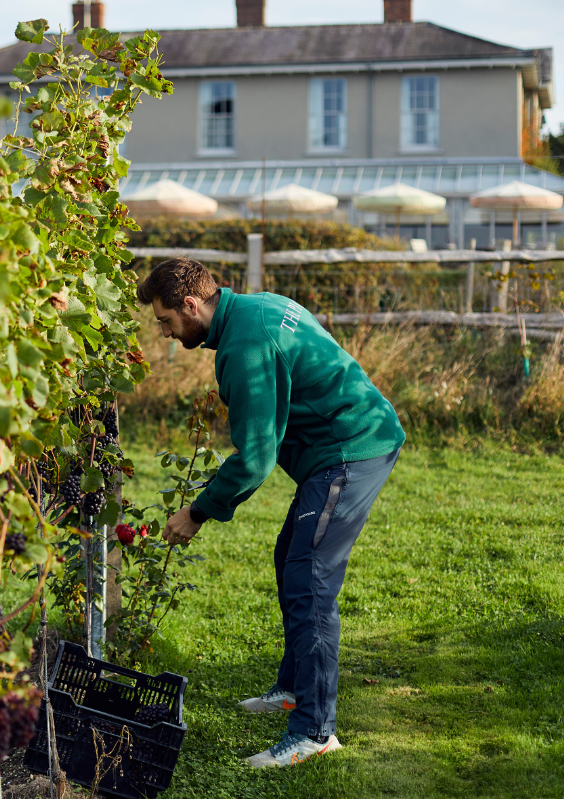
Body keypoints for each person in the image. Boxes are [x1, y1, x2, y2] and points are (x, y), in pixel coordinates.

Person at [137, 258, 405, 769]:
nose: (165, 333)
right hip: (339, 445)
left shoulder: (245, 345)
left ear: (191, 305)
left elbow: (256, 458)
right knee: (291, 557)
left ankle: (315, 732)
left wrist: (198, 511)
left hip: (352, 448)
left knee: (310, 578)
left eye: (166, 321)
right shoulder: (254, 308)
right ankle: (294, 688)